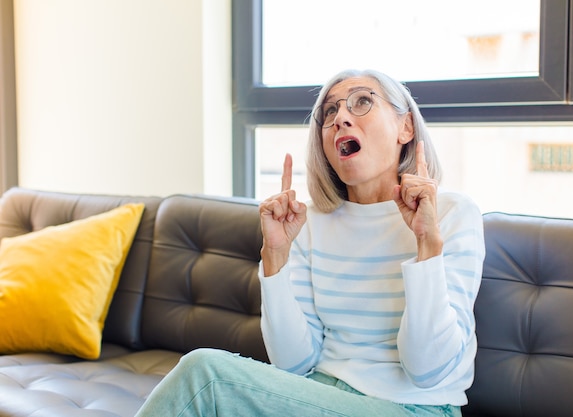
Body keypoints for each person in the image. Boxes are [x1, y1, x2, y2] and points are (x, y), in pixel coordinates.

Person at [135, 69, 485, 417]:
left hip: (412, 407)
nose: (341, 118)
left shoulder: (451, 214)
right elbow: (293, 364)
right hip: (315, 395)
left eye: (362, 101)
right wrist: (274, 256)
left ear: (405, 127)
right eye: (329, 112)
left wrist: (426, 246)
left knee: (206, 377)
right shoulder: (310, 223)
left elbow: (428, 371)